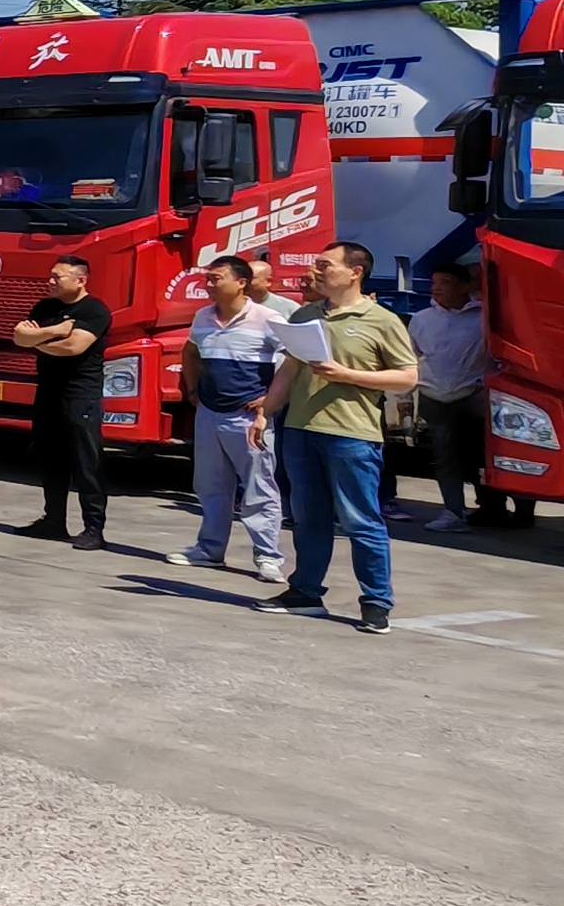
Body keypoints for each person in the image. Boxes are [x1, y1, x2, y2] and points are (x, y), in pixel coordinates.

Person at [261, 239, 421, 634]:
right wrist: (265, 412)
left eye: (325, 265)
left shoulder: (381, 320)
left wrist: (349, 375)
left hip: (351, 435)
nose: (315, 271)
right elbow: (288, 371)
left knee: (360, 520)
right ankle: (305, 592)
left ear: (355, 272)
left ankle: (376, 602)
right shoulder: (305, 315)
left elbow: (407, 377)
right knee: (308, 518)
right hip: (301, 430)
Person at [177, 253, 290, 584]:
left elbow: (293, 361)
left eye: (216, 279)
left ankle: (268, 557)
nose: (209, 285)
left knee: (258, 489)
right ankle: (209, 550)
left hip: (247, 419)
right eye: (207, 279)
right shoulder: (202, 316)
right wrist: (193, 390)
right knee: (210, 486)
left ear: (241, 283)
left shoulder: (268, 318)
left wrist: (270, 401)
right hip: (209, 414)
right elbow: (190, 352)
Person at [9, 251, 112, 548]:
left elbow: (73, 347)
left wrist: (37, 340)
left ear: (80, 280)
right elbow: (18, 337)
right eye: (51, 276)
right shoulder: (46, 307)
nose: (50, 281)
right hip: (47, 392)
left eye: (57, 277)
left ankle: (94, 529)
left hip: (80, 395)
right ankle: (53, 520)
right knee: (50, 459)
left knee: (86, 463)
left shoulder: (94, 310)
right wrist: (54, 331)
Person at [411, 258, 488, 530]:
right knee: (445, 457)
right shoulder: (421, 320)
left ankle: (492, 509)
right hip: (435, 397)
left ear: (464, 286)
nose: (437, 288)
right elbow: (412, 357)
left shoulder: (483, 318)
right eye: (434, 283)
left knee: (481, 456)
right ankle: (453, 511)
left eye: (445, 283)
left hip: (474, 396)